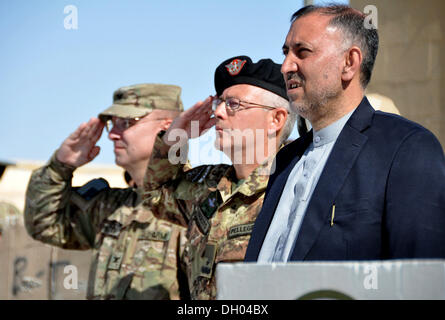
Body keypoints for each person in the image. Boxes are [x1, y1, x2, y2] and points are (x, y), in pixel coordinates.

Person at [245, 5, 445, 262]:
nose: (285, 67)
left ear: (349, 63)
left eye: (302, 52)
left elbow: (419, 277)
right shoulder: (286, 160)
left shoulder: (405, 149)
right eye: (285, 53)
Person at [142, 56, 296, 299]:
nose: (219, 113)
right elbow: (154, 195)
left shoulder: (294, 187)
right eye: (219, 102)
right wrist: (175, 137)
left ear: (275, 119)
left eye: (234, 104)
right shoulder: (209, 185)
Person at [24, 84, 188, 299]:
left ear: (167, 127)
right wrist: (60, 166)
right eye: (113, 124)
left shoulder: (193, 205)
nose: (112, 135)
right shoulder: (114, 206)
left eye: (127, 123)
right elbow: (44, 224)